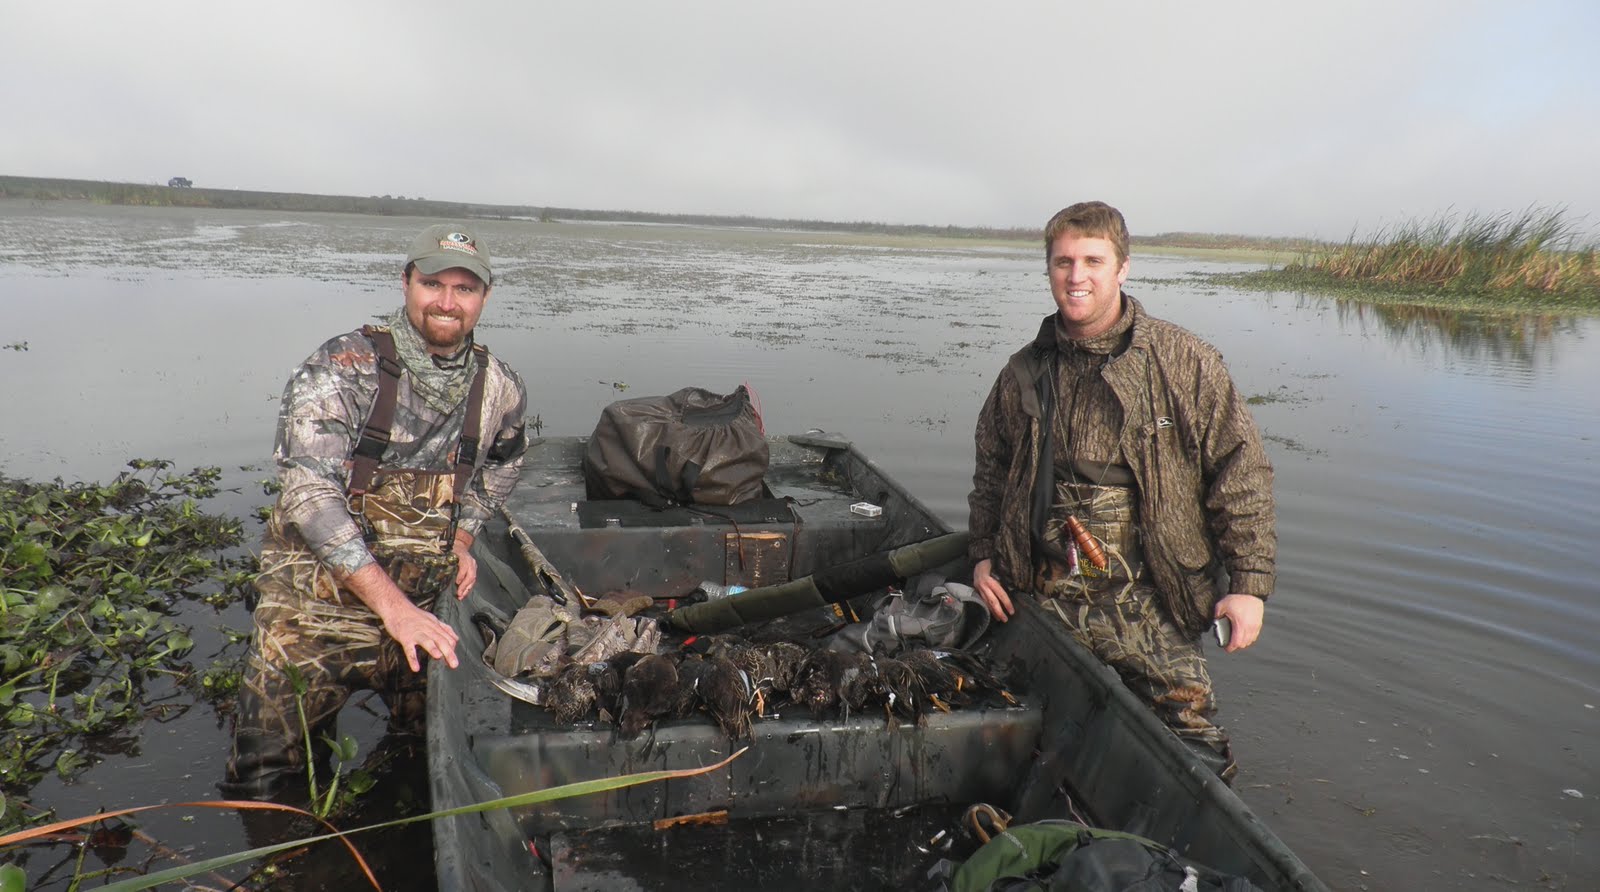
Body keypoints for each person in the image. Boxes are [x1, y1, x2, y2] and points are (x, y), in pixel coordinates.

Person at [967, 201, 1274, 781]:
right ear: (1049, 269)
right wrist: (983, 556)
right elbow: (991, 470)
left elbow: (1242, 473)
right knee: (1032, 734)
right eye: (1062, 261)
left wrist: (1249, 585)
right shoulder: (1022, 373)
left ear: (1123, 268)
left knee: (1195, 746)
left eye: (1092, 260)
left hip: (1155, 596)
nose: (1075, 276)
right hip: (1042, 592)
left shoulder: (1186, 363)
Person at [223, 224, 529, 799]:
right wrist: (392, 607)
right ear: (406, 282)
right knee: (264, 781)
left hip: (427, 610)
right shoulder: (341, 366)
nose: (446, 301)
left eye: (464, 289)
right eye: (433, 283)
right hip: (316, 610)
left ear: (484, 298)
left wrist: (463, 536)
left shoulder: (501, 388)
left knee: (422, 766)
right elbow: (309, 493)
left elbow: (507, 462)